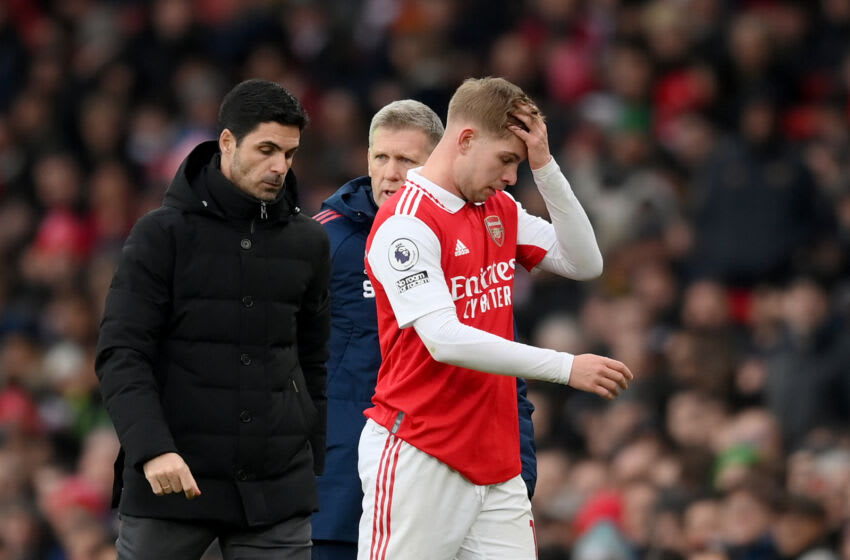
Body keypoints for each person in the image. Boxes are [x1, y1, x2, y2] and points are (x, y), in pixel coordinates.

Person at [360, 77, 633, 559]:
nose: (511, 177)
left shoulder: (497, 207)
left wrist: (544, 167)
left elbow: (585, 261)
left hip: (497, 455)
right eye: (507, 160)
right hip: (422, 451)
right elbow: (444, 339)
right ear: (465, 140)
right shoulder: (405, 223)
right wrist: (566, 367)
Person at [95, 79, 331, 559]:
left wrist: (311, 453)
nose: (279, 167)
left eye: (288, 153)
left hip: (277, 491)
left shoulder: (309, 242)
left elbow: (313, 359)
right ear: (227, 142)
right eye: (266, 149)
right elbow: (122, 353)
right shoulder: (161, 234)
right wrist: (152, 449)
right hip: (172, 483)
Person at [311, 99, 538, 560]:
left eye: (406, 160)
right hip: (337, 485)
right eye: (380, 157)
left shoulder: (473, 231)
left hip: (453, 472)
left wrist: (523, 461)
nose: (391, 173)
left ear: (438, 159)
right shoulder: (320, 243)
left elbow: (498, 349)